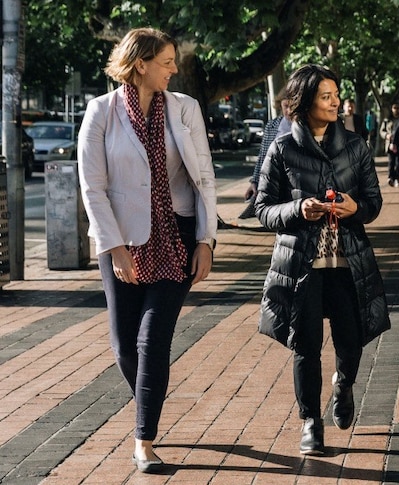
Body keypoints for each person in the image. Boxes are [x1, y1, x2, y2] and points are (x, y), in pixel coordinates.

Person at [77, 27, 217, 473]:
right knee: (124, 347)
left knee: (152, 340)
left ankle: (144, 440)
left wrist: (206, 241)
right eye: (167, 62)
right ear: (141, 64)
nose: (174, 69)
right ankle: (149, 397)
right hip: (122, 240)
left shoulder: (185, 109)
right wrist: (115, 248)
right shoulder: (100, 112)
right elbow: (92, 188)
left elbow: (205, 180)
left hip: (175, 237)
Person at [254, 64, 391, 456]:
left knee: (352, 340)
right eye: (326, 96)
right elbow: (263, 208)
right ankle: (311, 421)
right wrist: (299, 208)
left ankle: (343, 385)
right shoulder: (282, 149)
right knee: (306, 345)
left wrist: (355, 208)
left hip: (349, 262)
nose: (335, 102)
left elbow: (374, 203)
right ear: (305, 101)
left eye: (336, 95)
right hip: (301, 265)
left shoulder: (355, 145)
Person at [244, 86, 292, 204]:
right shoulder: (273, 125)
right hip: (272, 182)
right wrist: (255, 181)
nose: (289, 111)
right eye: (285, 106)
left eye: (292, 106)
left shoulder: (307, 126)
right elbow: (263, 155)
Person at [379, 103, 399, 186]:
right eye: (394, 108)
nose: (396, 110)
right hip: (390, 144)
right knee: (391, 162)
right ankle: (390, 178)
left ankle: (397, 178)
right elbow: (381, 131)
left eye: (398, 108)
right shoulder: (387, 120)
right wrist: (387, 135)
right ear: (391, 109)